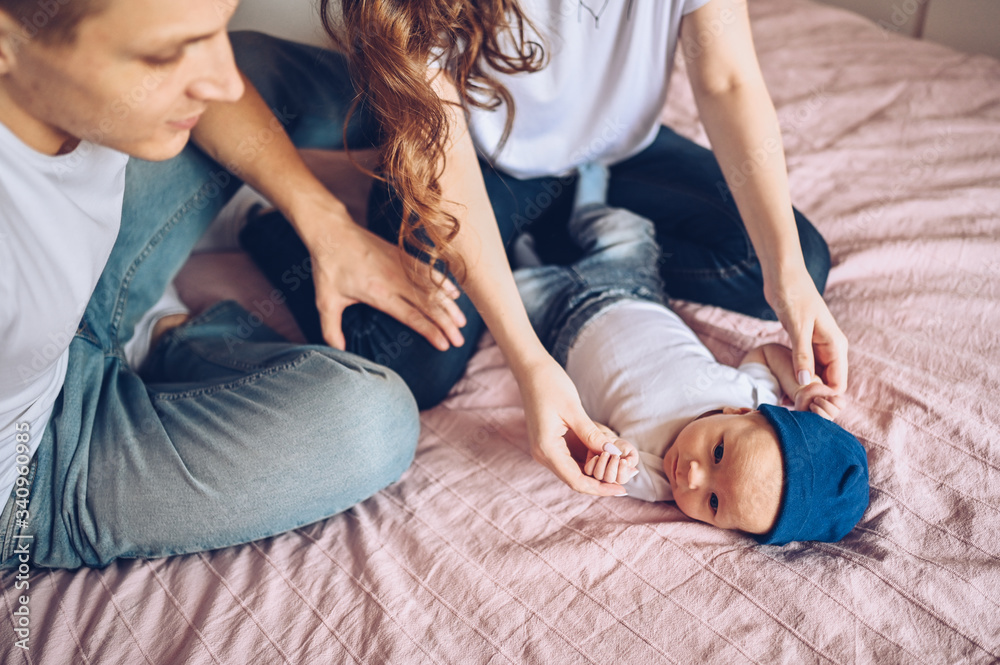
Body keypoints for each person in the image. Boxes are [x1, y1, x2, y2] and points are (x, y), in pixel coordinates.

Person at [0, 0, 627, 569]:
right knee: (372, 423)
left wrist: (327, 224)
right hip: (41, 462)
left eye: (214, 28)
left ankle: (149, 328)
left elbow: (407, 92)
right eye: (166, 53)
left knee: (261, 70)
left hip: (75, 308)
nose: (218, 80)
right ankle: (165, 336)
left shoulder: (77, 76)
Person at [241, 0, 849, 495]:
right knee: (413, 362)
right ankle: (277, 226)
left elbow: (728, 79)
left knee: (796, 262)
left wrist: (786, 274)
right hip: (475, 165)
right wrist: (531, 360)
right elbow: (445, 158)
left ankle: (552, 236)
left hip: (613, 152)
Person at [515, 163, 870, 543]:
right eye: (718, 452)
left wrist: (604, 457)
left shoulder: (651, 476)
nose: (692, 476)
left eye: (714, 503)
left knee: (512, 290)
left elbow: (584, 443)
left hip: (557, 325)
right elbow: (767, 354)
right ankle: (588, 195)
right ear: (740, 414)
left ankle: (522, 245)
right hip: (633, 289)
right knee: (628, 232)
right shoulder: (750, 394)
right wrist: (802, 388)